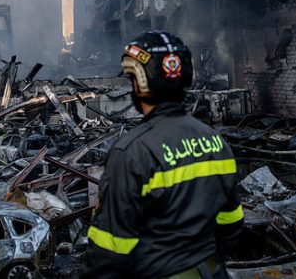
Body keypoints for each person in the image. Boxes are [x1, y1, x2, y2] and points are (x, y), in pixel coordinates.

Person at [83, 31, 242, 278]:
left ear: (140, 83)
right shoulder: (216, 142)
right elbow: (231, 227)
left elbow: (109, 252)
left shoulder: (132, 152)